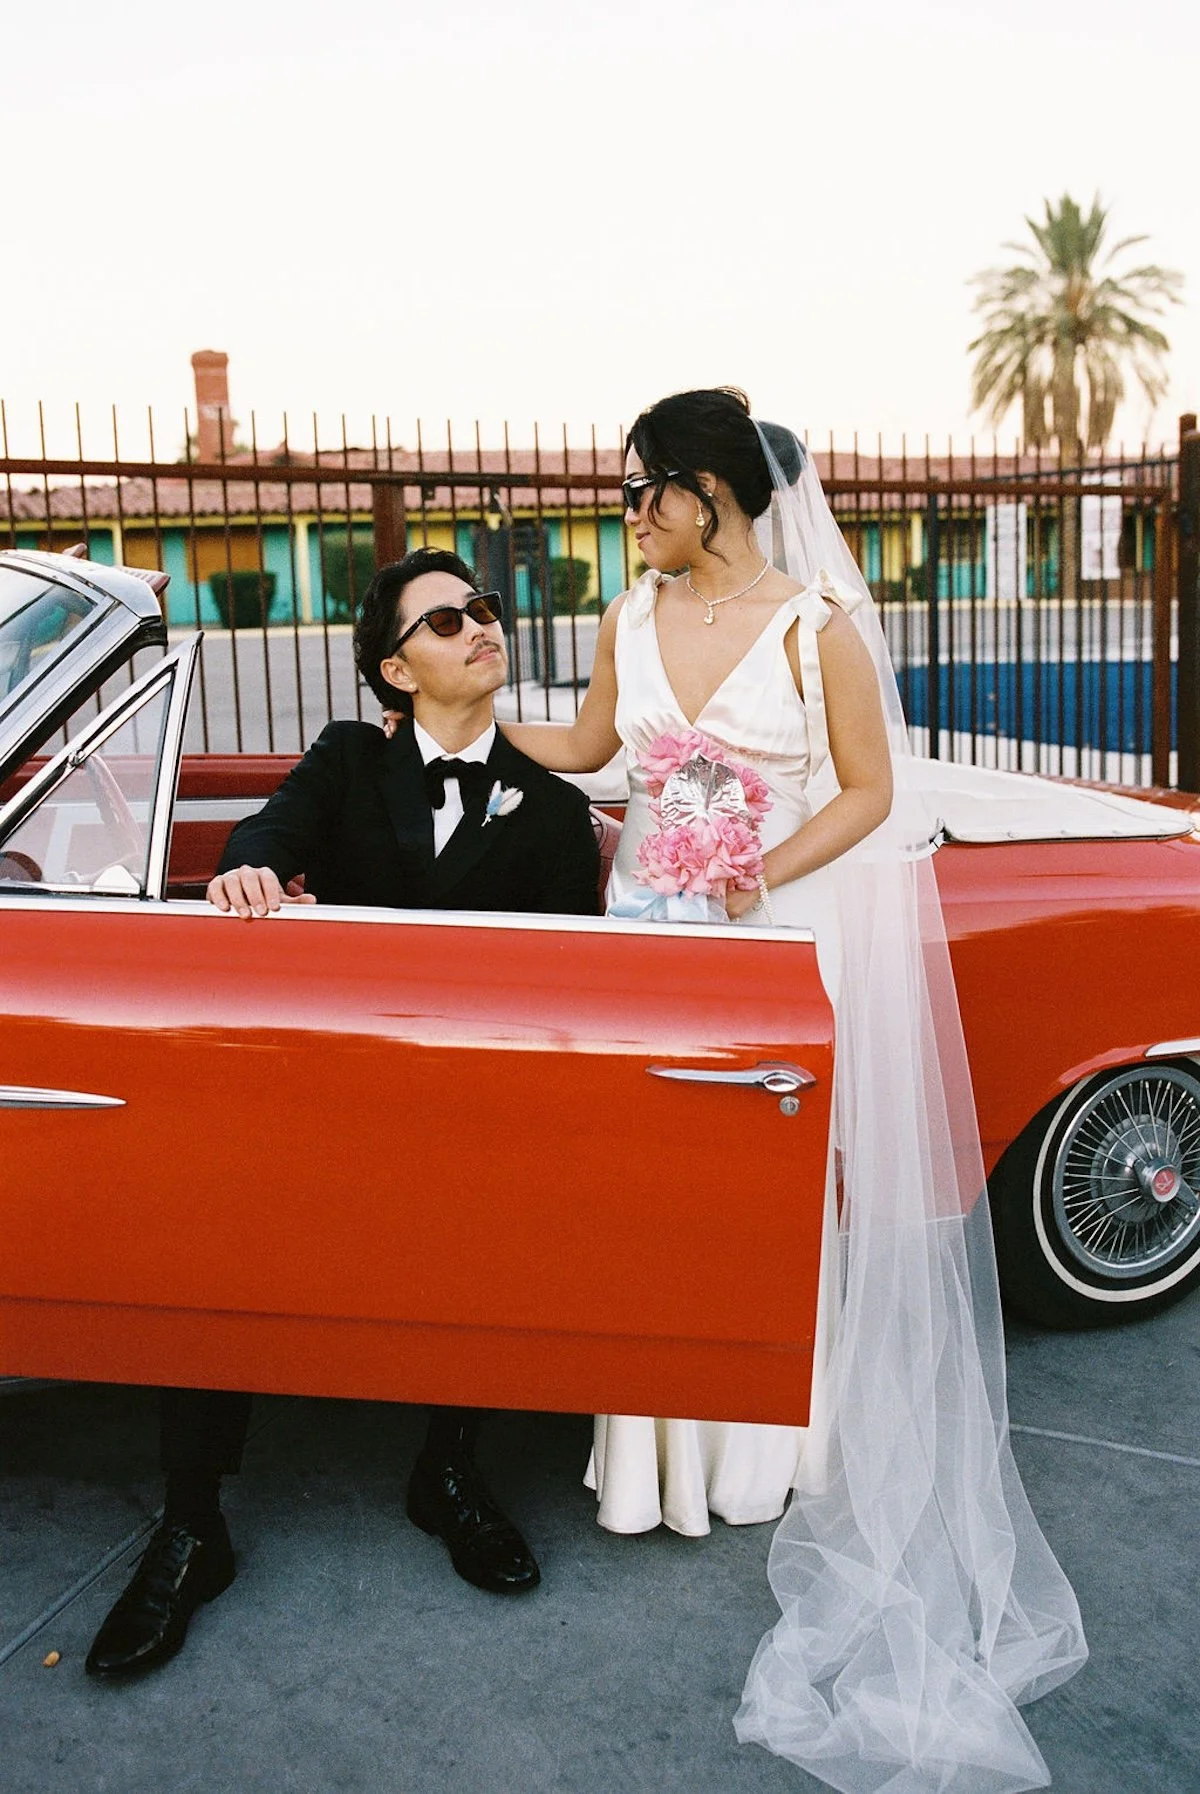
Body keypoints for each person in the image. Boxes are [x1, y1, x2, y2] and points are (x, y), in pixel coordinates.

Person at [499, 389, 1088, 1794]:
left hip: (775, 926)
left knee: (768, 1184)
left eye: (641, 490)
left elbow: (870, 792)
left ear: (708, 491)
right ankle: (655, 1456)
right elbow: (593, 752)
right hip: (650, 928)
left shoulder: (817, 625)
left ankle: (769, 1446)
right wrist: (459, 722)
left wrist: (759, 873)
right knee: (656, 1190)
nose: (627, 515)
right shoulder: (629, 616)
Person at [84, 547, 601, 1678]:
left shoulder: (556, 810)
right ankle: (192, 1523)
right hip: (328, 1096)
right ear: (396, 670)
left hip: (469, 1113)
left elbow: (572, 991)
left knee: (500, 1203)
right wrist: (251, 873)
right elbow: (268, 835)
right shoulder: (346, 759)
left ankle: (447, 1471)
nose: (481, 625)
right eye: (446, 619)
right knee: (215, 1214)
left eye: (484, 608)